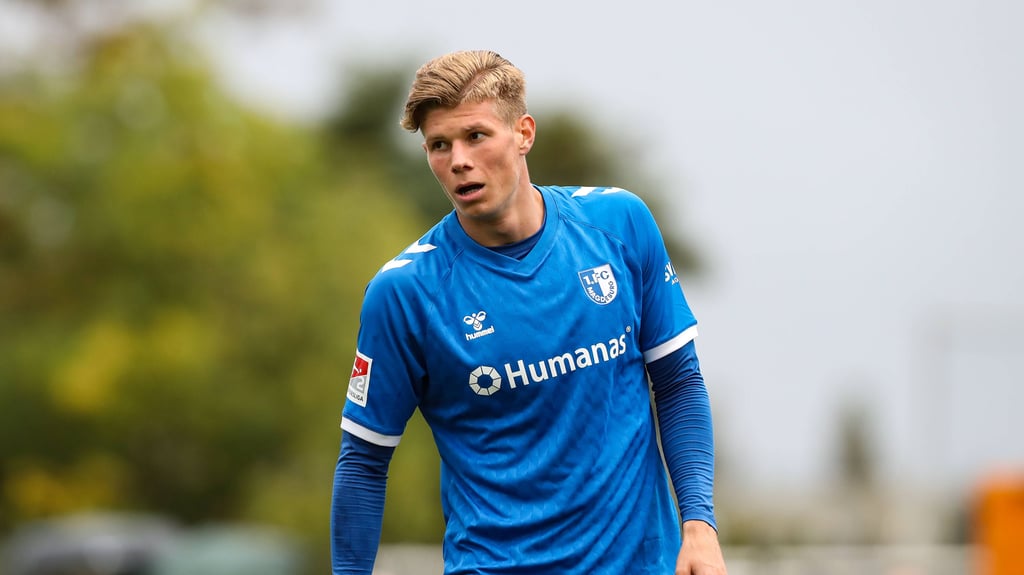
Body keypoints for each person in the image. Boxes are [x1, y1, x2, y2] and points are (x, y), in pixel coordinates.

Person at [331, 50, 728, 575]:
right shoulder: (405, 292)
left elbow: (678, 382)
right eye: (439, 145)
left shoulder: (620, 224)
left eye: (476, 136)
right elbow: (363, 462)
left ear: (523, 133)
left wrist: (699, 526)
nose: (458, 161)